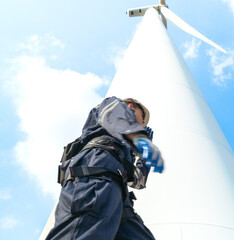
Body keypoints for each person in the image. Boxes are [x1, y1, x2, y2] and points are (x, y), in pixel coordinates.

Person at [46, 96, 164, 240]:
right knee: (83, 231)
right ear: (131, 107)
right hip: (95, 178)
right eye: (143, 117)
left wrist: (145, 156)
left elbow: (138, 181)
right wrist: (138, 137)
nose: (144, 123)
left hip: (118, 197)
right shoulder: (111, 105)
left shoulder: (125, 149)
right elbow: (114, 113)